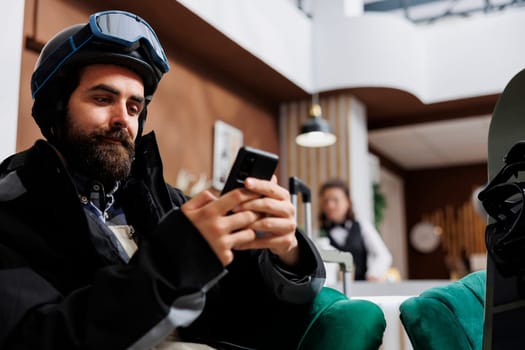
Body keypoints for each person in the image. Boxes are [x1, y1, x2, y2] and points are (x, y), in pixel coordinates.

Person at [0, 10, 325, 350]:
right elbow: (36, 338)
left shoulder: (165, 202)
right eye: (103, 99)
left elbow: (251, 312)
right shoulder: (13, 210)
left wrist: (285, 251)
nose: (121, 119)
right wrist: (174, 263)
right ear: (55, 108)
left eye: (134, 108)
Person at [319, 178, 391, 281]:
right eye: (326, 201)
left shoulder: (362, 226)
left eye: (335, 200)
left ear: (347, 202)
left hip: (362, 287)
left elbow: (383, 255)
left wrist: (373, 274)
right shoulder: (318, 233)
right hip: (335, 291)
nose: (330, 206)